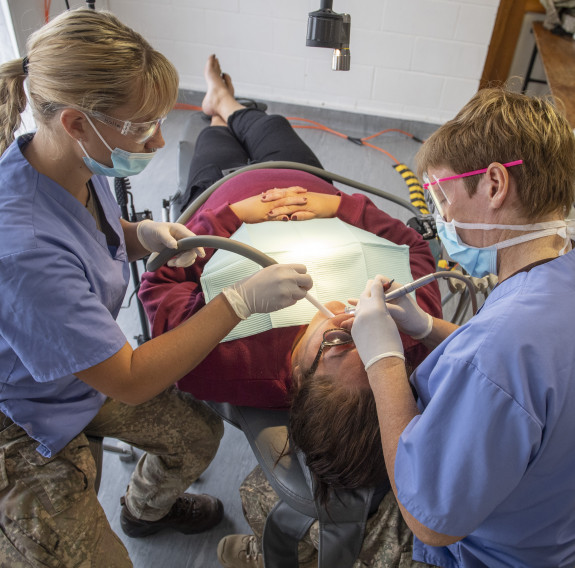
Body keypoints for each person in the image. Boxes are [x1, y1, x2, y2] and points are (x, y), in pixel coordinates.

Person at [0, 10, 314, 567]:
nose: (161, 140)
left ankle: (145, 509)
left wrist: (141, 237)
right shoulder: (22, 250)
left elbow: (82, 231)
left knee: (195, 437)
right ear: (76, 122)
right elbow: (130, 380)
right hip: (24, 421)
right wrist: (238, 302)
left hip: (81, 378)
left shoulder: (65, 159)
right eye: (143, 127)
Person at [138, 55, 442, 568]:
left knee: (213, 145)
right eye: (369, 352)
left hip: (222, 197)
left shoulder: (218, 363)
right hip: (306, 186)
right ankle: (229, 101)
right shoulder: (403, 329)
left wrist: (229, 217)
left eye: (334, 344)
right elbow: (417, 248)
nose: (351, 321)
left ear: (294, 386)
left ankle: (216, 110)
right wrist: (339, 208)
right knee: (270, 125)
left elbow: (161, 280)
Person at [349, 88, 575, 567]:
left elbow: (429, 517)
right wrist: (429, 327)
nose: (442, 218)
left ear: (494, 185)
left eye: (442, 196)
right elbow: (529, 383)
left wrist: (383, 359)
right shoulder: (556, 278)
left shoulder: (503, 347)